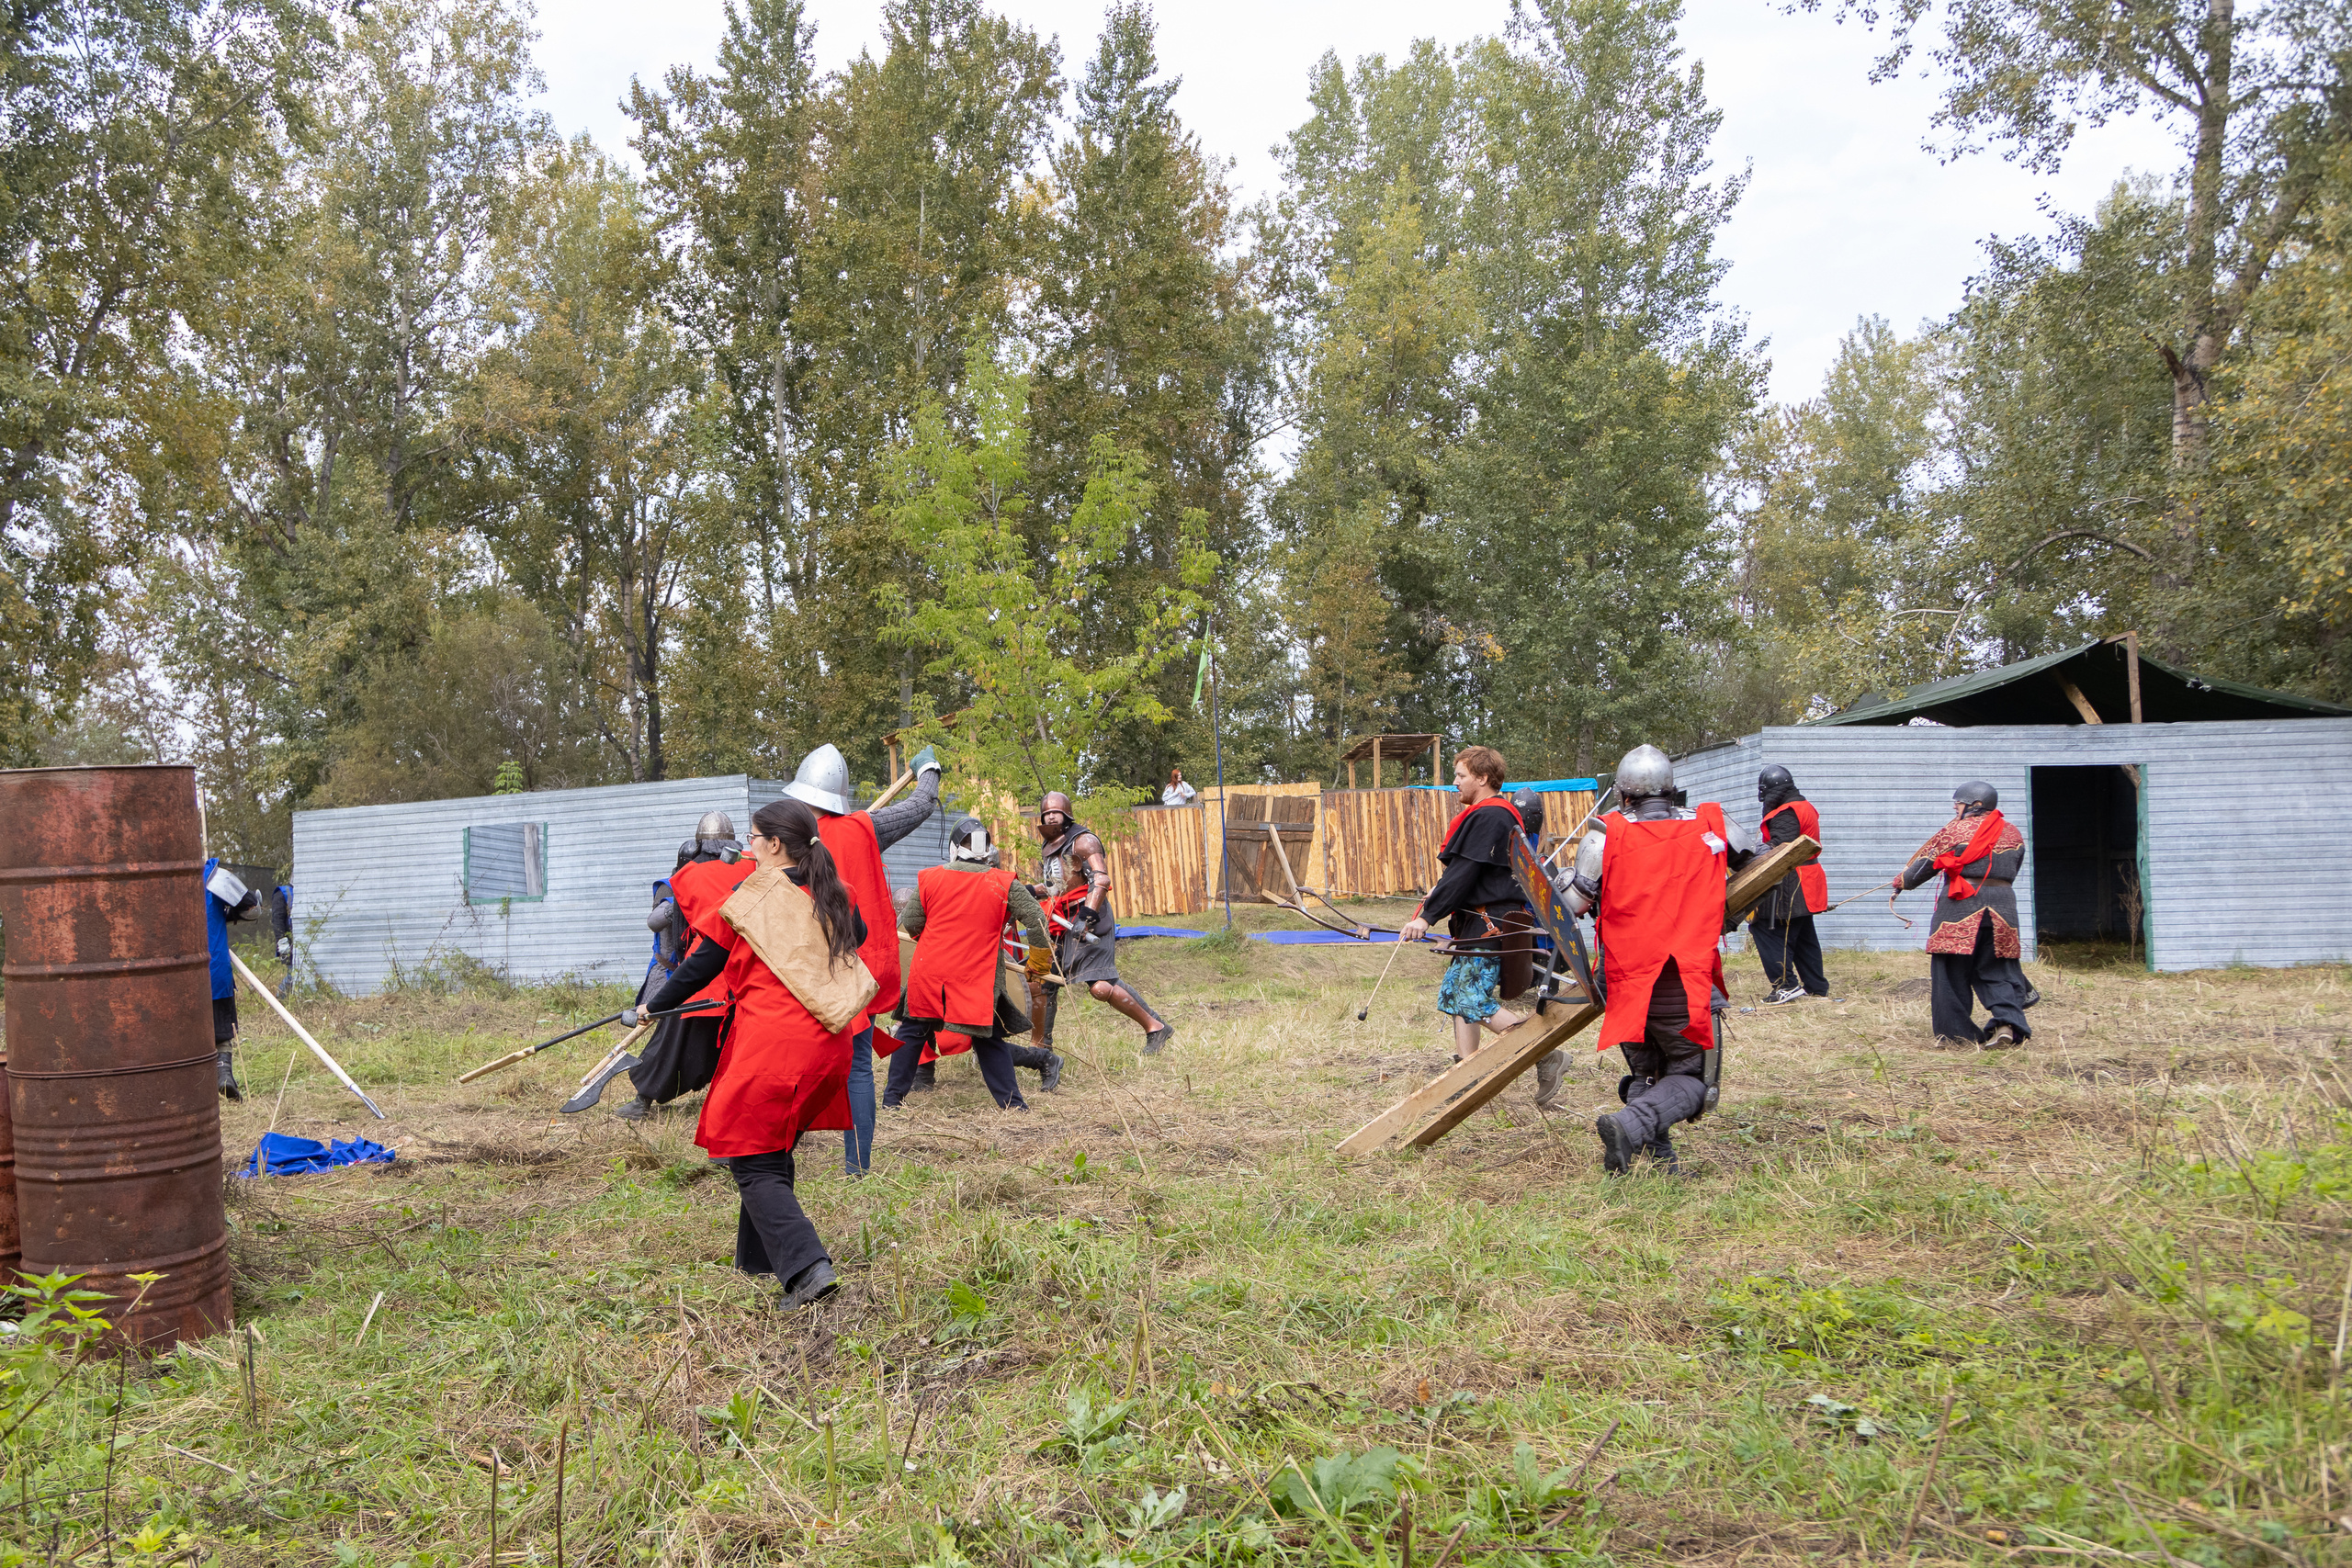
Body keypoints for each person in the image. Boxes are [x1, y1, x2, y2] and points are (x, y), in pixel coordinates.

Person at [632, 798, 873, 1311]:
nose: (747, 846)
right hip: (829, 1045)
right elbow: (861, 937)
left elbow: (702, 964)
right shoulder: (835, 893)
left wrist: (655, 1005)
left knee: (750, 1160)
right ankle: (759, 1261)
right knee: (771, 1149)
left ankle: (807, 1267)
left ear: (775, 845)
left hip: (775, 1048)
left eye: (754, 838)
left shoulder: (753, 894)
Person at [1565, 745, 1757, 1175]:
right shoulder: (1712, 823)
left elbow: (1572, 906)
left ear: (1624, 793)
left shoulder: (1604, 835)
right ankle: (1630, 1126)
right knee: (1694, 1080)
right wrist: (1727, 911)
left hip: (1625, 981)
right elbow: (1761, 867)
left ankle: (1660, 1162)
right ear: (1671, 789)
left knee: (1648, 1074)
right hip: (1681, 980)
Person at [781, 742, 943, 1174]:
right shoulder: (866, 826)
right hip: (857, 963)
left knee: (793, 1061)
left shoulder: (781, 836)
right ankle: (858, 1168)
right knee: (856, 1066)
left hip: (800, 968)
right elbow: (922, 803)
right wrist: (929, 766)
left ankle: (767, 1154)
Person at [885, 818, 1061, 1108]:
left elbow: (913, 922)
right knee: (988, 1038)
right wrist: (1040, 964)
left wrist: (933, 937)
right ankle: (1013, 1105)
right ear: (987, 850)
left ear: (955, 847)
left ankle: (891, 1101)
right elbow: (1037, 921)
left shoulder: (931, 877)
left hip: (930, 976)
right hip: (976, 979)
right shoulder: (1003, 883)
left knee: (913, 1031)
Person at [589, 811, 745, 1120]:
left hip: (710, 968)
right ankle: (652, 1098)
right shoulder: (751, 866)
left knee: (674, 1042)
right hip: (736, 970)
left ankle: (644, 1100)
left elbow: (686, 933)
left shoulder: (688, 878)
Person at [1400, 748, 1539, 1077]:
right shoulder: (1490, 815)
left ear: (1482, 778)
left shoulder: (1492, 815)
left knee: (1469, 998)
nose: (1455, 782)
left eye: (1461, 776)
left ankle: (1543, 1053)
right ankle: (1468, 1073)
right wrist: (1440, 891)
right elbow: (1467, 874)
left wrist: (1426, 916)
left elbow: (1463, 872)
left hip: (1490, 923)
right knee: (1455, 994)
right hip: (1479, 922)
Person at [1033, 791, 1173, 1055]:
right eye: (1046, 813)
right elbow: (1057, 885)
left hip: (1091, 920)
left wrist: (1087, 916)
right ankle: (1039, 1049)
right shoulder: (1051, 847)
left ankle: (1156, 1027)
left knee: (1100, 987)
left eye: (1056, 812)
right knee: (1042, 980)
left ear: (1066, 814)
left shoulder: (1083, 841)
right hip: (1062, 921)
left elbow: (1100, 880)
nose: (1051, 816)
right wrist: (1031, 890)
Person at [1899, 781, 2031, 1049]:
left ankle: (1956, 1036)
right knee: (1996, 968)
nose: (1955, 808)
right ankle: (2007, 1024)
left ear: (1975, 805)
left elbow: (1923, 866)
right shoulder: (2014, 833)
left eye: (1958, 803)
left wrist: (1901, 882)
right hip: (2003, 909)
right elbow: (2012, 871)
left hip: (1960, 909)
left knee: (1950, 972)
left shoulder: (1954, 830)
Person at [1750, 765, 1830, 1003]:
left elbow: (1781, 849)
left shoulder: (1787, 812)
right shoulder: (1803, 806)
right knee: (1804, 934)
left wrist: (1748, 852)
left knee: (1765, 928)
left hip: (1792, 880)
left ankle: (1786, 985)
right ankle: (1816, 987)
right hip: (1808, 877)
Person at [202, 858, 261, 1099]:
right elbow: (251, 907)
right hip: (213, 969)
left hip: (175, 977)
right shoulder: (213, 876)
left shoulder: (160, 881)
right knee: (221, 1031)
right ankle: (224, 1073)